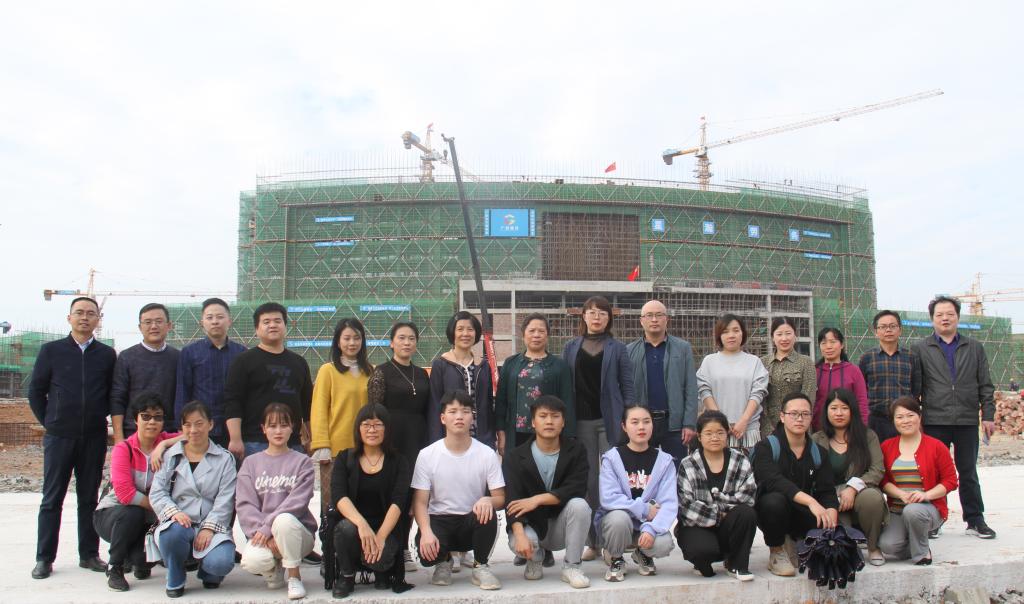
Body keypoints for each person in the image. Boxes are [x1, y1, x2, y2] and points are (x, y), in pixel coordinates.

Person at [28, 296, 116, 580]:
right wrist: (51, 422)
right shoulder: (51, 351)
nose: (85, 318)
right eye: (79, 313)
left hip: (93, 436)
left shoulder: (106, 354)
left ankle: (89, 554)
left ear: (98, 319)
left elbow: (111, 393)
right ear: (69, 318)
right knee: (52, 499)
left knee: (88, 498)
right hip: (59, 437)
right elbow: (35, 391)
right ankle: (44, 558)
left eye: (91, 313)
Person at [913, 295, 997, 539]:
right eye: (939, 315)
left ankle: (975, 519)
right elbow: (915, 387)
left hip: (966, 420)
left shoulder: (974, 347)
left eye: (950, 314)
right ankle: (934, 519)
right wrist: (916, 420)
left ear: (958, 317)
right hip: (934, 420)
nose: (945, 318)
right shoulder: (920, 348)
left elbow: (985, 385)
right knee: (934, 473)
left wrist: (988, 415)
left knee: (968, 471)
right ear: (932, 319)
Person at [563, 295, 635, 560]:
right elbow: (566, 385)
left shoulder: (618, 348)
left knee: (611, 481)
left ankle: (612, 543)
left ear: (609, 318)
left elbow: (627, 385)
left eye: (602, 313)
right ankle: (593, 542)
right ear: (583, 316)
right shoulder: (571, 347)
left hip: (609, 421)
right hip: (581, 423)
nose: (597, 317)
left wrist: (628, 418)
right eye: (592, 312)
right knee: (588, 482)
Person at [412, 390, 506, 591]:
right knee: (427, 556)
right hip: (440, 520)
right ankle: (444, 561)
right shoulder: (427, 455)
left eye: (465, 411)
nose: (459, 416)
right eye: (453, 411)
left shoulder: (486, 454)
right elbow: (420, 502)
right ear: (442, 418)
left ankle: (480, 565)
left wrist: (488, 500)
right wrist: (426, 532)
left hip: (471, 521)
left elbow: (500, 497)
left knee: (487, 511)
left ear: (472, 417)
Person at [94, 392, 183, 591]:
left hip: (147, 518)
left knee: (142, 561)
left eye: (158, 417)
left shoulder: (166, 443)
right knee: (132, 512)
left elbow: (193, 435)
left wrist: (163, 444)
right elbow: (125, 494)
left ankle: (134, 558)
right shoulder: (124, 449)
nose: (152, 422)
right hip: (113, 514)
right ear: (136, 419)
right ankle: (115, 567)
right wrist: (163, 508)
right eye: (146, 416)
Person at [149, 401, 237, 598]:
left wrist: (209, 528)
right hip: (179, 523)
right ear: (181, 427)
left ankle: (209, 573)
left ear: (211, 424)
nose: (193, 430)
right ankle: (175, 575)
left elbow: (225, 499)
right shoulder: (170, 456)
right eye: (187, 425)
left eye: (199, 423)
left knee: (221, 563)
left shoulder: (224, 459)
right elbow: (157, 493)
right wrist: (174, 513)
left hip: (211, 524)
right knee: (173, 534)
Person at [503, 395, 591, 589]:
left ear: (563, 422)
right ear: (533, 422)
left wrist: (537, 499)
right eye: (543, 416)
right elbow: (512, 499)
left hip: (561, 526)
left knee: (580, 505)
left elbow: (576, 488)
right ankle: (535, 559)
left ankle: (572, 567)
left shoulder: (576, 450)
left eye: (555, 416)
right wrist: (519, 534)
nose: (549, 421)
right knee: (522, 541)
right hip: (531, 525)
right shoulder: (515, 456)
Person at [331, 403, 414, 597]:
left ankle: (381, 572)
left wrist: (380, 537)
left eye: (378, 424)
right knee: (345, 529)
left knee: (382, 558)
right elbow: (339, 496)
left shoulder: (399, 461)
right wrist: (362, 526)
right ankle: (347, 575)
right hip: (355, 528)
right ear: (358, 428)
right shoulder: (345, 458)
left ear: (387, 429)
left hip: (385, 530)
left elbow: (398, 502)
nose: (372, 430)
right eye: (366, 424)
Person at [367, 320, 431, 572]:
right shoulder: (380, 372)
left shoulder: (422, 374)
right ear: (391, 343)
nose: (407, 342)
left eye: (411, 338)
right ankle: (395, 547)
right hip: (392, 441)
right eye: (401, 338)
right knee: (396, 495)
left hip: (418, 440)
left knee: (416, 495)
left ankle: (409, 546)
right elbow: (373, 411)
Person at [753, 392, 839, 577]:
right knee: (774, 501)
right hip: (772, 513)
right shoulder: (766, 448)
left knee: (831, 557)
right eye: (793, 414)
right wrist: (811, 501)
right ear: (782, 416)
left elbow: (827, 491)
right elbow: (774, 481)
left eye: (805, 414)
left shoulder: (819, 453)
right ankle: (777, 550)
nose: (799, 419)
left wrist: (831, 515)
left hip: (803, 514)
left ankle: (798, 542)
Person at [236, 403, 317, 600]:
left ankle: (294, 576)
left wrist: (269, 527)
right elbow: (245, 505)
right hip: (264, 535)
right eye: (272, 426)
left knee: (284, 520)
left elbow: (297, 502)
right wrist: (264, 532)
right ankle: (275, 568)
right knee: (251, 561)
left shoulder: (303, 462)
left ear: (293, 427)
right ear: (263, 429)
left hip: (298, 533)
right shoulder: (250, 463)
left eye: (283, 425)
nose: (278, 431)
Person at [598, 404, 677, 582]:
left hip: (646, 525)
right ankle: (616, 557)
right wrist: (644, 509)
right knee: (618, 519)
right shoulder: (612, 458)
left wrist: (651, 529)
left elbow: (669, 503)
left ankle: (642, 553)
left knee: (664, 544)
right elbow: (609, 498)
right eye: (634, 422)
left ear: (652, 425)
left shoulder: (664, 461)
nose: (641, 427)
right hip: (620, 524)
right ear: (624, 426)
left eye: (646, 422)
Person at [675, 410, 757, 581]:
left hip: (728, 524)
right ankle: (702, 562)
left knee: (746, 513)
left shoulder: (740, 460)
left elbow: (748, 497)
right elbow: (687, 506)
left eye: (720, 432)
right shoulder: (688, 464)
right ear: (699, 436)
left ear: (727, 434)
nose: (715, 438)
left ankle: (737, 565)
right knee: (703, 553)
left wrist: (716, 501)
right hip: (697, 525)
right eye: (709, 433)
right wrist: (721, 513)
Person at [224, 302, 313, 459]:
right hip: (255, 442)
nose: (272, 325)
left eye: (277, 321)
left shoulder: (299, 362)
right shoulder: (243, 361)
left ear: (285, 326)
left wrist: (311, 438)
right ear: (257, 329)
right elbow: (233, 402)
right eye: (266, 322)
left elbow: (307, 405)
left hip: (293, 443)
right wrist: (235, 439)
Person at [810, 388, 888, 566]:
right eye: (834, 408)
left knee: (872, 498)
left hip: (861, 492)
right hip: (830, 498)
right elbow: (812, 475)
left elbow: (877, 469)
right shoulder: (816, 439)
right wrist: (834, 494)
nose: (839, 413)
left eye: (844, 408)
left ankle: (873, 547)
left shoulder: (868, 436)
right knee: (843, 542)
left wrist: (852, 487)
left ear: (852, 410)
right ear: (826, 411)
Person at [878, 397, 959, 564]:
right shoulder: (886, 446)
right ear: (894, 421)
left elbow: (951, 480)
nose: (905, 421)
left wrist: (926, 495)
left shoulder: (936, 446)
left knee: (913, 511)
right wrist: (900, 494)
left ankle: (922, 554)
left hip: (929, 508)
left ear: (919, 417)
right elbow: (882, 481)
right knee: (887, 546)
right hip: (897, 510)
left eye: (910, 415)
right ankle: (914, 541)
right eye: (900, 417)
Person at [311, 318, 372, 517]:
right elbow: (319, 409)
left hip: (366, 448)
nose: (352, 343)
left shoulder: (371, 371)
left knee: (362, 503)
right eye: (347, 338)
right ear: (338, 342)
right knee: (333, 505)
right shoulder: (327, 370)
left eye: (357, 338)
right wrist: (322, 445)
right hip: (336, 450)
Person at [626, 300, 699, 461]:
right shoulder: (629, 351)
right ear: (641, 320)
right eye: (649, 315)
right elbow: (626, 389)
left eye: (659, 315)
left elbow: (691, 388)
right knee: (644, 469)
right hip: (643, 423)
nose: (654, 320)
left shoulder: (683, 348)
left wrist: (689, 423)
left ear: (667, 319)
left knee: (675, 468)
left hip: (674, 423)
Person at [495, 313, 575, 454]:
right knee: (516, 467)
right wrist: (501, 433)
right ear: (523, 335)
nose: (536, 335)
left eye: (541, 331)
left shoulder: (560, 366)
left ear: (547, 335)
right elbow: (501, 401)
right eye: (531, 331)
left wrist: (568, 436)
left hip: (549, 432)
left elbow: (567, 402)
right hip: (516, 433)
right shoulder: (510, 363)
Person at [175, 298, 247, 448]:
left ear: (229, 321)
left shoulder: (241, 353)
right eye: (209, 317)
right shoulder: (189, 352)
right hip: (200, 427)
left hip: (234, 428)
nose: (215, 322)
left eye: (220, 317)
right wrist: (181, 426)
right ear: (202, 322)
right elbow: (183, 390)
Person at [696, 314, 769, 448]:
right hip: (716, 431)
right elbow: (704, 390)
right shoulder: (709, 361)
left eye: (736, 330)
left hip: (748, 430)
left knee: (749, 461)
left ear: (743, 333)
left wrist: (744, 421)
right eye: (725, 331)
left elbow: (758, 393)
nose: (731, 335)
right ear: (719, 335)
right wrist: (721, 421)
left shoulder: (754, 362)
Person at [111, 303, 180, 440]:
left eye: (159, 321)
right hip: (134, 432)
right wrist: (119, 437)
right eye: (148, 322)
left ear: (169, 325)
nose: (153, 326)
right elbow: (117, 398)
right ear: (140, 327)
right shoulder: (126, 357)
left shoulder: (178, 357)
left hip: (169, 433)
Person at [429, 310, 496, 449]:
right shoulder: (441, 364)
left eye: (470, 329)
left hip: (481, 438)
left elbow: (488, 405)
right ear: (452, 333)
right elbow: (435, 405)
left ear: (476, 333)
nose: (465, 334)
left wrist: (491, 437)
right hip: (450, 439)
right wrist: (436, 440)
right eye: (460, 329)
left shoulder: (483, 366)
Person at [858, 310, 921, 442]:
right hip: (875, 419)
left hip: (904, 420)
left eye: (893, 326)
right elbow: (861, 390)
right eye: (883, 327)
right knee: (876, 453)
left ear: (900, 330)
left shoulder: (911, 357)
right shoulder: (867, 358)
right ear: (876, 332)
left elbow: (916, 389)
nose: (888, 330)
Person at [761, 317, 817, 439]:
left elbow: (809, 396)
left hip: (798, 426)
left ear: (795, 335)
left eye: (788, 333)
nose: (784, 338)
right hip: (768, 428)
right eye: (779, 334)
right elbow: (760, 398)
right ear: (772, 337)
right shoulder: (762, 363)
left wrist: (796, 422)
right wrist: (768, 428)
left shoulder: (806, 362)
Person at [814, 327, 869, 430]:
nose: (828, 346)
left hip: (847, 430)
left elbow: (862, 402)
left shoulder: (853, 371)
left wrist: (861, 428)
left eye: (833, 342)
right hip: (818, 430)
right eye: (823, 343)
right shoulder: (813, 371)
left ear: (842, 344)